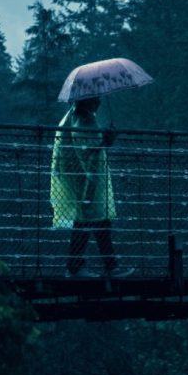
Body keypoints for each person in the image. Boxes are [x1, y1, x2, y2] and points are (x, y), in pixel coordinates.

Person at [50, 97, 132, 278]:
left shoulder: (73, 115)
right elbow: (87, 147)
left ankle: (92, 266)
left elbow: (86, 144)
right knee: (92, 218)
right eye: (96, 98)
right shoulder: (83, 117)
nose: (100, 101)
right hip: (86, 179)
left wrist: (104, 138)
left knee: (93, 219)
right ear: (88, 100)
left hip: (81, 177)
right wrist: (107, 139)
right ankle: (84, 267)